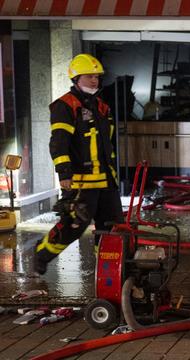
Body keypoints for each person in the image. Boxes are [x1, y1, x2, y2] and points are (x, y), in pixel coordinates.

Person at [35, 54, 123, 275]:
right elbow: (58, 143)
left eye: (97, 76)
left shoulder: (101, 107)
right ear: (76, 77)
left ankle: (107, 271)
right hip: (82, 181)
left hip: (106, 180)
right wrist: (64, 173)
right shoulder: (65, 106)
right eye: (89, 76)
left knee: (112, 228)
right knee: (74, 227)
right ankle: (42, 254)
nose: (95, 80)